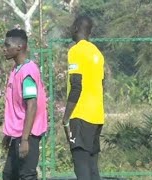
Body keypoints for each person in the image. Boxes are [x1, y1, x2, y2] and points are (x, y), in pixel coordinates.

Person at [62, 14, 105, 180]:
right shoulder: (97, 54)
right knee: (92, 163)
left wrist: (66, 117)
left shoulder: (75, 51)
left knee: (80, 161)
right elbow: (102, 83)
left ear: (76, 28)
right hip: (97, 115)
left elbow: (76, 85)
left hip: (80, 115)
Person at [1, 28, 48, 180]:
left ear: (19, 47)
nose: (4, 49)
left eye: (7, 45)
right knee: (9, 174)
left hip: (28, 134)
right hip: (18, 134)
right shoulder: (16, 69)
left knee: (27, 175)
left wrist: (25, 140)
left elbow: (32, 105)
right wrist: (9, 136)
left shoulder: (27, 72)